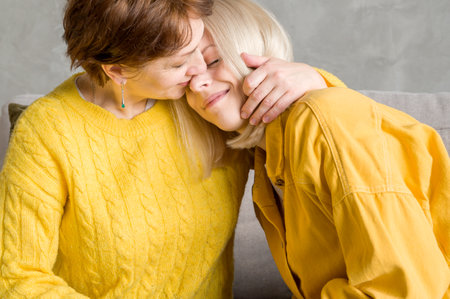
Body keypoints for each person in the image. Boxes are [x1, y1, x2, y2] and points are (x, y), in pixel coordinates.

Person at [0, 0, 343, 298]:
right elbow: (16, 276)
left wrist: (316, 82)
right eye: (179, 64)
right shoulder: (48, 130)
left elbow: (337, 143)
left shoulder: (204, 102)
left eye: (199, 47)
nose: (198, 72)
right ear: (117, 70)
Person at [180, 0, 450, 297]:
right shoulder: (264, 155)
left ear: (256, 50)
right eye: (186, 77)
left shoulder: (320, 120)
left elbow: (403, 289)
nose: (198, 85)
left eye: (213, 60)